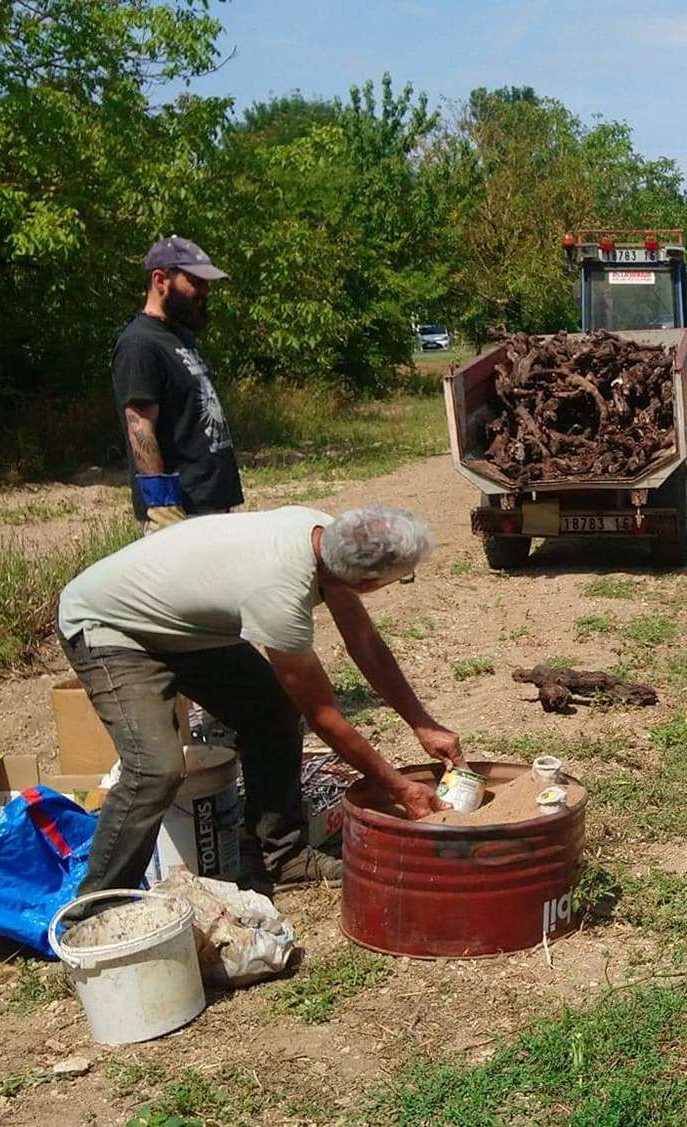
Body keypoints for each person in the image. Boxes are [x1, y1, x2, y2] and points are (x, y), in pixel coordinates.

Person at [56, 504, 457, 895]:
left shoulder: (326, 537)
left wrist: (423, 724)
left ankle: (280, 858)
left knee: (272, 714)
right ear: (368, 583)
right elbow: (324, 716)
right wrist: (400, 789)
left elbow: (364, 642)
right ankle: (97, 904)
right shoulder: (279, 595)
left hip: (180, 626)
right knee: (155, 769)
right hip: (109, 627)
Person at [115, 235, 243, 534]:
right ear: (160, 280)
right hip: (181, 515)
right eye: (195, 282)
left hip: (209, 506)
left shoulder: (180, 337)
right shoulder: (139, 344)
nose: (205, 291)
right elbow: (140, 427)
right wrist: (163, 508)